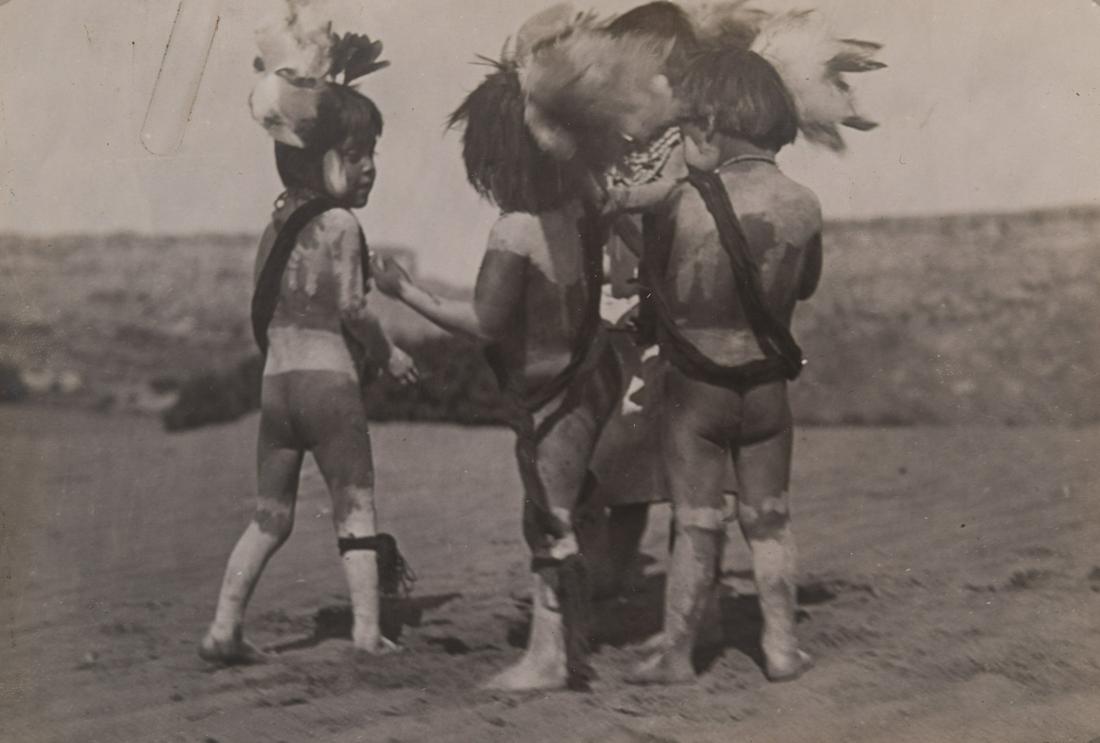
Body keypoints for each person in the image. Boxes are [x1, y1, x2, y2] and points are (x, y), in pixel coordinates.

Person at [372, 50, 620, 692]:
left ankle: (550, 657)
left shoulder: (515, 232)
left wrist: (407, 293)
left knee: (548, 520)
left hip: (549, 399)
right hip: (586, 383)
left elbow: (484, 321)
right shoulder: (579, 215)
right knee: (558, 513)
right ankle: (566, 645)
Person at [199, 23, 418, 664]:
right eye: (355, 155)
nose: (370, 166)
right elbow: (352, 307)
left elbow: (265, 308)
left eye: (372, 152)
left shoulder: (275, 227)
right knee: (355, 506)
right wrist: (391, 355)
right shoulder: (341, 224)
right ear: (309, 156)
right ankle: (365, 631)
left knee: (270, 515)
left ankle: (224, 627)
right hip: (328, 381)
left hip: (277, 387)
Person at [622, 45, 825, 685]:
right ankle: (783, 648)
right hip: (767, 388)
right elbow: (807, 284)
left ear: (707, 127)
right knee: (769, 518)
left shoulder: (679, 201)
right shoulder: (804, 203)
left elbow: (654, 283)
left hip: (697, 391)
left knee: (698, 520)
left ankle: (679, 652)